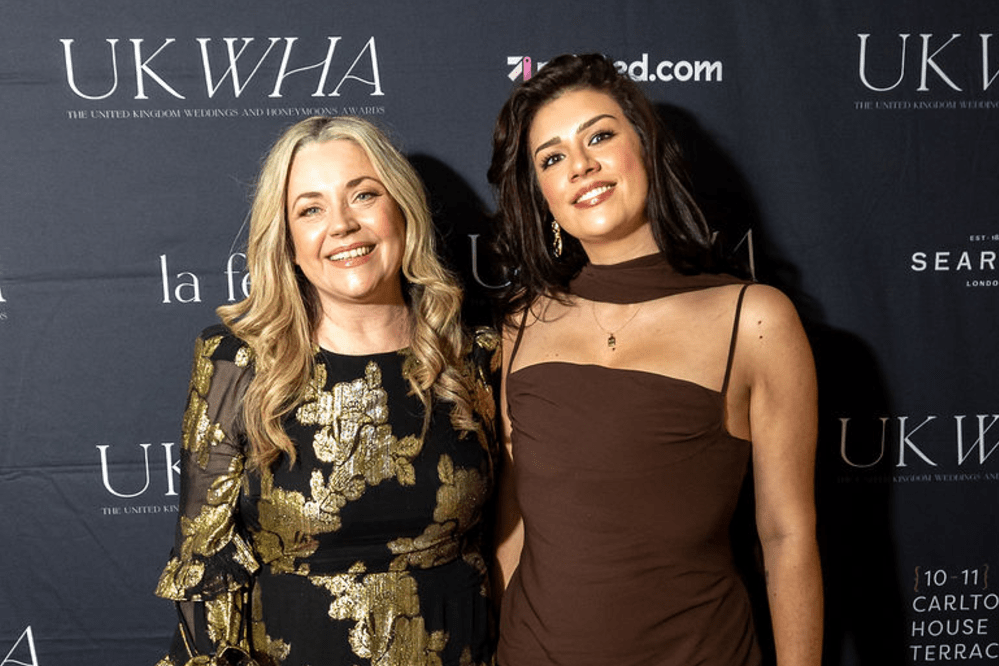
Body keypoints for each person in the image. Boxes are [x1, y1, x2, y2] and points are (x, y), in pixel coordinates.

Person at [487, 54, 822, 665]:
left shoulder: (754, 320)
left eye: (599, 137)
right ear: (541, 195)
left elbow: (786, 535)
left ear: (644, 147)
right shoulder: (522, 322)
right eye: (552, 158)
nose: (580, 166)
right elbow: (514, 518)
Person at [154, 116, 500, 666]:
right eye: (310, 209)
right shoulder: (237, 363)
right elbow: (204, 564)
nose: (342, 225)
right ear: (288, 242)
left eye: (363, 195)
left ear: (402, 210)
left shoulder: (474, 356)